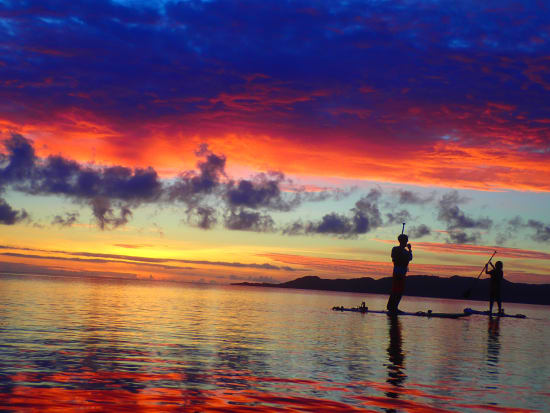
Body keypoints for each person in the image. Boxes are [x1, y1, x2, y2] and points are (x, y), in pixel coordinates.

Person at [386, 234, 413, 314]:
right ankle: (391, 307)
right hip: (398, 271)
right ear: (402, 241)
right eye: (406, 240)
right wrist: (401, 251)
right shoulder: (395, 249)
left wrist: (409, 250)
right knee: (396, 289)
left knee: (400, 290)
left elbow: (410, 258)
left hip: (403, 272)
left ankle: (394, 307)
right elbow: (393, 256)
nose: (407, 242)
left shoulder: (405, 251)